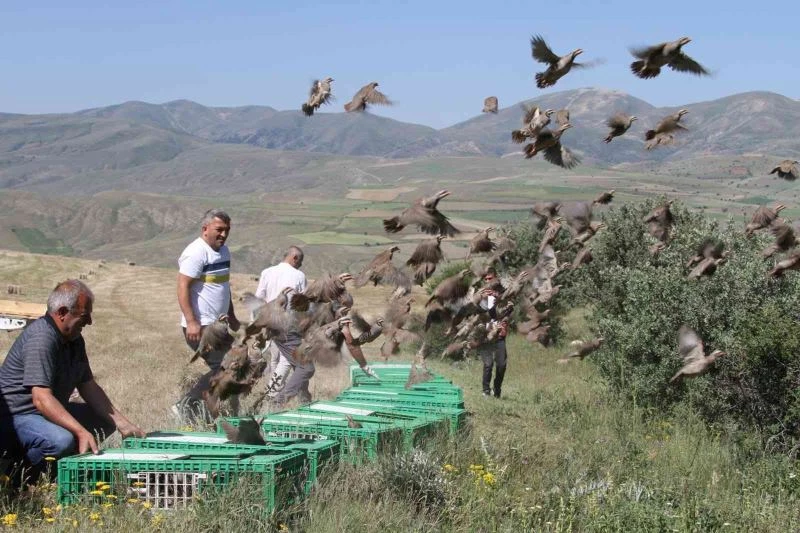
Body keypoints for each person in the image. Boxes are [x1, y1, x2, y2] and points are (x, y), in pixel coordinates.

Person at [0, 280, 144, 484]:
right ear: (62, 312)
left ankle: (63, 469)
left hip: (42, 413)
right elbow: (41, 400)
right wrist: (79, 431)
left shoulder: (74, 340)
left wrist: (123, 424)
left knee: (103, 421)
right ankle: (21, 478)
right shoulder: (41, 339)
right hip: (17, 417)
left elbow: (88, 386)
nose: (90, 322)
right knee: (61, 440)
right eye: (84, 316)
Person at [176, 208, 240, 419]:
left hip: (219, 325)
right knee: (225, 366)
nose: (223, 234)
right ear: (205, 229)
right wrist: (191, 321)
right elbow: (183, 286)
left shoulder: (224, 252)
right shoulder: (196, 252)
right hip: (201, 326)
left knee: (235, 364)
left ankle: (223, 412)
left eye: (227, 230)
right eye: (219, 229)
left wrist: (231, 314)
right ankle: (186, 404)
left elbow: (223, 286)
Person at [254, 246, 311, 405]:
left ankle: (301, 398)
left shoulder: (267, 272)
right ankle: (272, 397)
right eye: (300, 262)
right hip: (289, 327)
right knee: (287, 363)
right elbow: (304, 305)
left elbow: (259, 300)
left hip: (271, 325)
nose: (301, 265)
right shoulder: (299, 275)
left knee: (275, 361)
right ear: (295, 258)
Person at [478, 268, 509, 398]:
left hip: (499, 335)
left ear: (495, 279)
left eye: (490, 278)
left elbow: (510, 309)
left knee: (501, 365)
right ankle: (485, 391)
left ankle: (497, 390)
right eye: (485, 279)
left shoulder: (504, 294)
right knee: (488, 364)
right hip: (486, 335)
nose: (487, 281)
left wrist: (498, 297)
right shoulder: (480, 295)